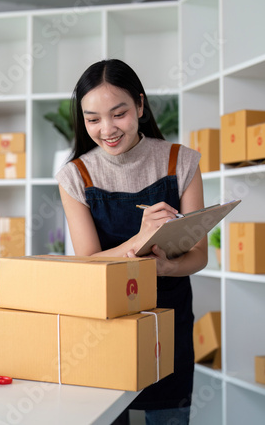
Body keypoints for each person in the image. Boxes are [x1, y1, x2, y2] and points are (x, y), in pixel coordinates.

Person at [55, 59, 208, 425]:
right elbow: (88, 260)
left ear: (140, 106)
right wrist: (140, 240)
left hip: (167, 319)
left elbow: (199, 255)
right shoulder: (75, 176)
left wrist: (168, 266)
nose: (106, 129)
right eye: (93, 119)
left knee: (170, 415)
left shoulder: (180, 162)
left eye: (118, 113)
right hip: (103, 324)